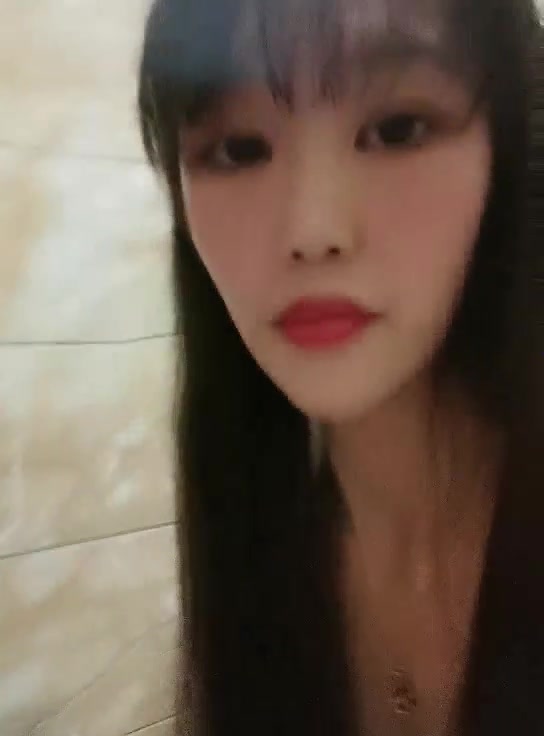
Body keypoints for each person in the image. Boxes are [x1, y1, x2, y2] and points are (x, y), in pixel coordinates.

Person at [138, 0, 544, 733]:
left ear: (510, 153)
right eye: (238, 149)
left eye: (397, 129)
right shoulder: (260, 552)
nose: (313, 230)